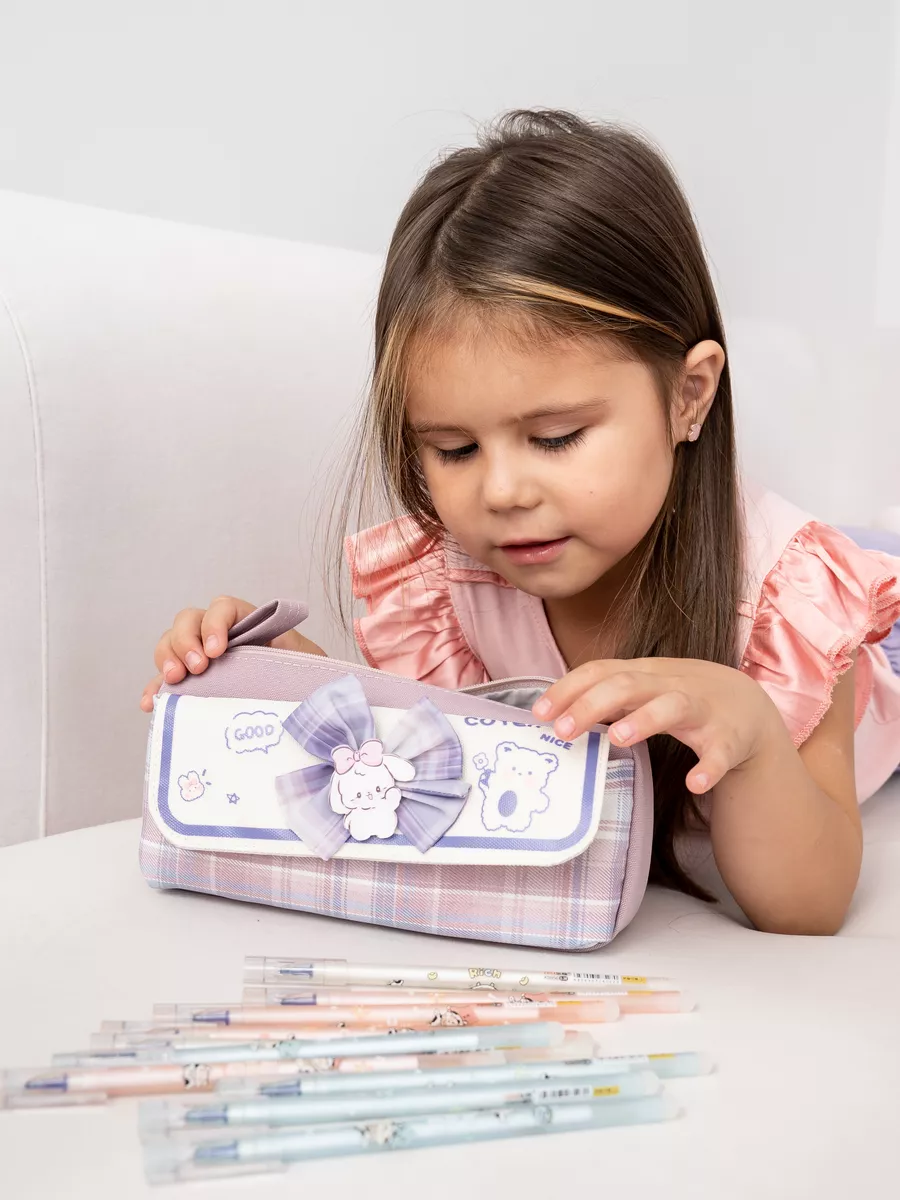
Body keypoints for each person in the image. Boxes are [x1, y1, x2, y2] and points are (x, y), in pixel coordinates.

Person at [141, 110, 900, 935]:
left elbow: (809, 907)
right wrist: (295, 686)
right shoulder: (451, 588)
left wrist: (749, 729)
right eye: (455, 449)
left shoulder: (793, 606)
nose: (502, 492)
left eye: (556, 437)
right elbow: (432, 767)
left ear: (690, 395)